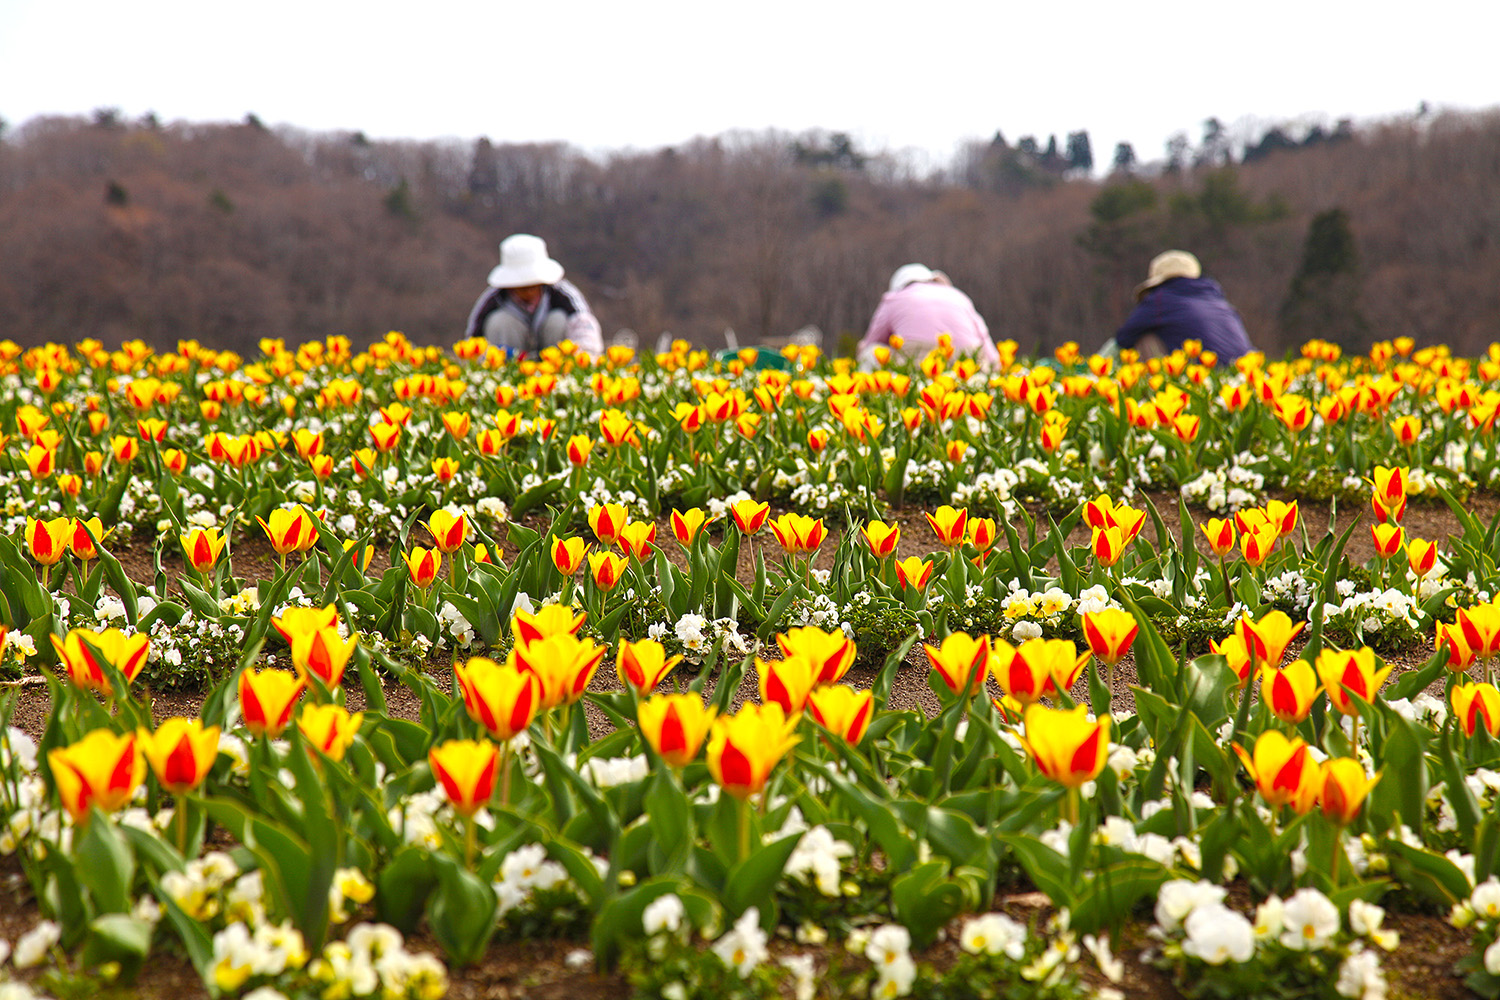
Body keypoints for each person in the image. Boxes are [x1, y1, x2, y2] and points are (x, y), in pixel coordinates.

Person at [464, 234, 603, 357]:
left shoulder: (561, 293)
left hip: (553, 362)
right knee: (499, 321)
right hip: (513, 358)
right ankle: (506, 376)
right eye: (522, 287)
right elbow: (473, 336)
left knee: (558, 320)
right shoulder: (495, 298)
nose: (529, 292)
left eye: (533, 286)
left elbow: (584, 324)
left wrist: (586, 357)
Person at [1109, 250, 1254, 364]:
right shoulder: (1219, 301)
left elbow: (1122, 339)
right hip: (1243, 374)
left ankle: (1152, 392)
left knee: (1143, 336)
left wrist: (1095, 367)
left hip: (1197, 375)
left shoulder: (1159, 299)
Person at [857, 264, 999, 369]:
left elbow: (871, 341)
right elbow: (984, 339)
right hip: (970, 364)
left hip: (919, 363)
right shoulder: (959, 296)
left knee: (870, 353)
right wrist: (996, 368)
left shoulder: (893, 299)